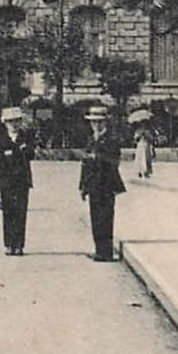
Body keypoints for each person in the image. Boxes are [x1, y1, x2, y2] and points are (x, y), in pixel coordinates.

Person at [79, 105, 126, 261]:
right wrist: (82, 186)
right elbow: (84, 164)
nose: (96, 125)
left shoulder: (111, 140)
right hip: (93, 184)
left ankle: (106, 252)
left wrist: (97, 157)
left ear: (105, 123)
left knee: (105, 217)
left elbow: (114, 161)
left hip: (107, 184)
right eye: (93, 122)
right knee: (95, 218)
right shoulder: (91, 139)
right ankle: (99, 249)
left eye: (99, 122)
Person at [0, 107, 36, 256]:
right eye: (10, 122)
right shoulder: (0, 138)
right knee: (8, 212)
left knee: (20, 212)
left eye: (16, 121)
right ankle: (9, 244)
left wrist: (23, 149)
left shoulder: (25, 136)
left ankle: (19, 245)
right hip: (6, 180)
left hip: (22, 180)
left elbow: (31, 154)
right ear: (5, 123)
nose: (13, 124)